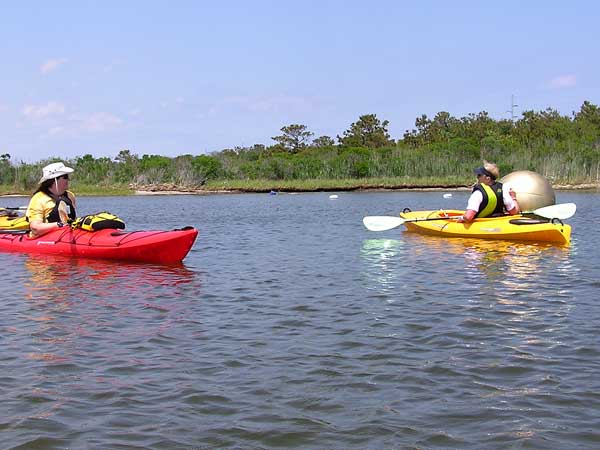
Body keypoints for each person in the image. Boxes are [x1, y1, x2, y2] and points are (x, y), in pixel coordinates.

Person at [26, 162, 77, 237]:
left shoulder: (70, 196)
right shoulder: (38, 199)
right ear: (54, 180)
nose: (68, 180)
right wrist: (60, 224)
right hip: (45, 238)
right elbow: (35, 228)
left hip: (66, 235)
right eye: (65, 177)